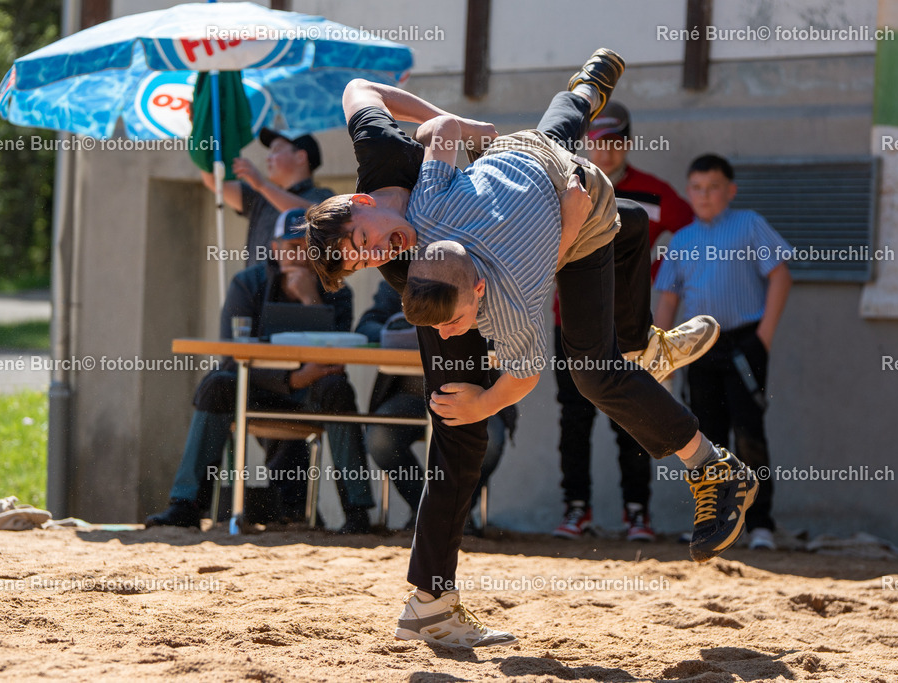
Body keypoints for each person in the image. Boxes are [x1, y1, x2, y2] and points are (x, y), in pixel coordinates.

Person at [305, 50, 755, 649]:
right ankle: (432, 601)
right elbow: (522, 349)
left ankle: (671, 397)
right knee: (460, 422)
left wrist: (458, 124)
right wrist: (484, 395)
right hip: (457, 291)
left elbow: (361, 87)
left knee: (596, 333)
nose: (380, 252)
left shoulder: (386, 155)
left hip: (530, 225)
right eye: (366, 260)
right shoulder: (413, 261)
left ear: (364, 201)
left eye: (367, 241)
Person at [144, 212, 375, 533]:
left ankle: (358, 511)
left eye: (310, 247)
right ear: (275, 247)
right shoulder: (247, 283)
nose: (301, 255)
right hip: (257, 389)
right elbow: (229, 356)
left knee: (338, 388)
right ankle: (186, 504)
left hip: (312, 394)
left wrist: (310, 299)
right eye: (293, 246)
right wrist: (290, 379)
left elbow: (335, 357)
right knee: (217, 384)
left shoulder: (337, 289)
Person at [552, 102, 695, 542]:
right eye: (597, 143)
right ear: (585, 145)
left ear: (628, 143)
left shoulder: (653, 192)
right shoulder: (570, 186)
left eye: (614, 143)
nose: (606, 153)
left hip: (627, 329)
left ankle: (638, 515)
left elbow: (693, 232)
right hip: (571, 324)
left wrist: (660, 271)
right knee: (574, 419)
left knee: (631, 419)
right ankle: (577, 511)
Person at [654, 153, 793, 551]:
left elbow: (780, 276)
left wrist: (762, 338)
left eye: (713, 187)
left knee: (750, 433)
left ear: (730, 190)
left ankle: (760, 524)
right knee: (703, 439)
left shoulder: (749, 225)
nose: (705, 195)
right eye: (696, 188)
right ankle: (710, 526)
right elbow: (666, 301)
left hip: (745, 346)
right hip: (697, 350)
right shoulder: (681, 240)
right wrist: (665, 358)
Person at [356, 281, 516, 533]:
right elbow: (367, 326)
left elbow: (510, 333)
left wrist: (464, 329)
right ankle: (428, 511)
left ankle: (457, 512)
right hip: (410, 393)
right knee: (380, 437)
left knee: (490, 441)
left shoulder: (480, 279)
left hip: (472, 391)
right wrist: (403, 330)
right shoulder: (402, 276)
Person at [199, 128, 333, 265]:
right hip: (256, 286)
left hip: (300, 285)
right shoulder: (260, 197)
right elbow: (214, 181)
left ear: (300, 157)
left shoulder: (324, 198)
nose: (268, 158)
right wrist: (201, 133)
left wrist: (262, 185)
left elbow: (315, 217)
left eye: (276, 150)